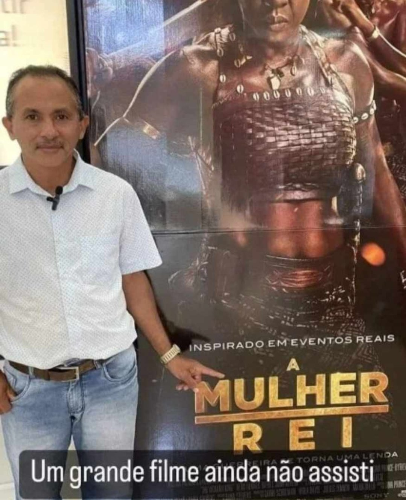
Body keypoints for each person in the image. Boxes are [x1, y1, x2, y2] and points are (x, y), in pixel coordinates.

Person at [93, 0, 406, 451]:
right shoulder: (198, 69)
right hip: (238, 298)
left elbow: (377, 169)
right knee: (240, 442)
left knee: (349, 436)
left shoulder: (345, 62)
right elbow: (111, 157)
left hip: (334, 295)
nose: (275, 3)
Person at [0, 65, 224, 499]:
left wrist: (170, 355)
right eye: (32, 116)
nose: (49, 130)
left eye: (62, 116)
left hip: (110, 382)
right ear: (10, 126)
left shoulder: (115, 194)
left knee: (112, 494)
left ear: (82, 124)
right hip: (28, 389)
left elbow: (133, 281)